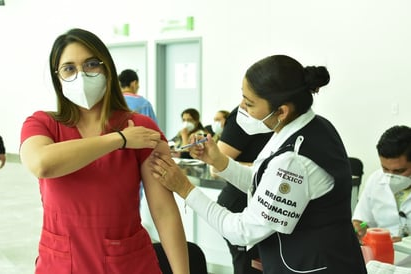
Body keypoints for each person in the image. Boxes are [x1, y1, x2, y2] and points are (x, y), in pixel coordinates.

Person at [151, 54, 367, 273]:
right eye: (243, 98)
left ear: (281, 111)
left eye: (250, 103)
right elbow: (265, 181)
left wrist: (185, 189)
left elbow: (242, 230)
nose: (241, 108)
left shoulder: (294, 161)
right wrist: (219, 161)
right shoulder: (306, 126)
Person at [19, 28, 189, 274]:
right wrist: (118, 140)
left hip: (127, 263)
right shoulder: (42, 124)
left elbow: (163, 211)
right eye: (69, 68)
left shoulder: (140, 128)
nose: (81, 75)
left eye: (90, 64)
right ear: (58, 78)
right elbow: (41, 163)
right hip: (61, 263)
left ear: (106, 68)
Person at [216, 106, 273, 274]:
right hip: (240, 203)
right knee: (247, 266)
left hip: (263, 205)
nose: (244, 104)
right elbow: (217, 164)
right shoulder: (243, 117)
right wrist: (267, 170)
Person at [353, 125, 411, 243]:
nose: (390, 176)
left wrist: (405, 242)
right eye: (385, 168)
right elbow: (365, 221)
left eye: (399, 171)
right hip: (382, 254)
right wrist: (361, 226)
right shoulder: (375, 180)